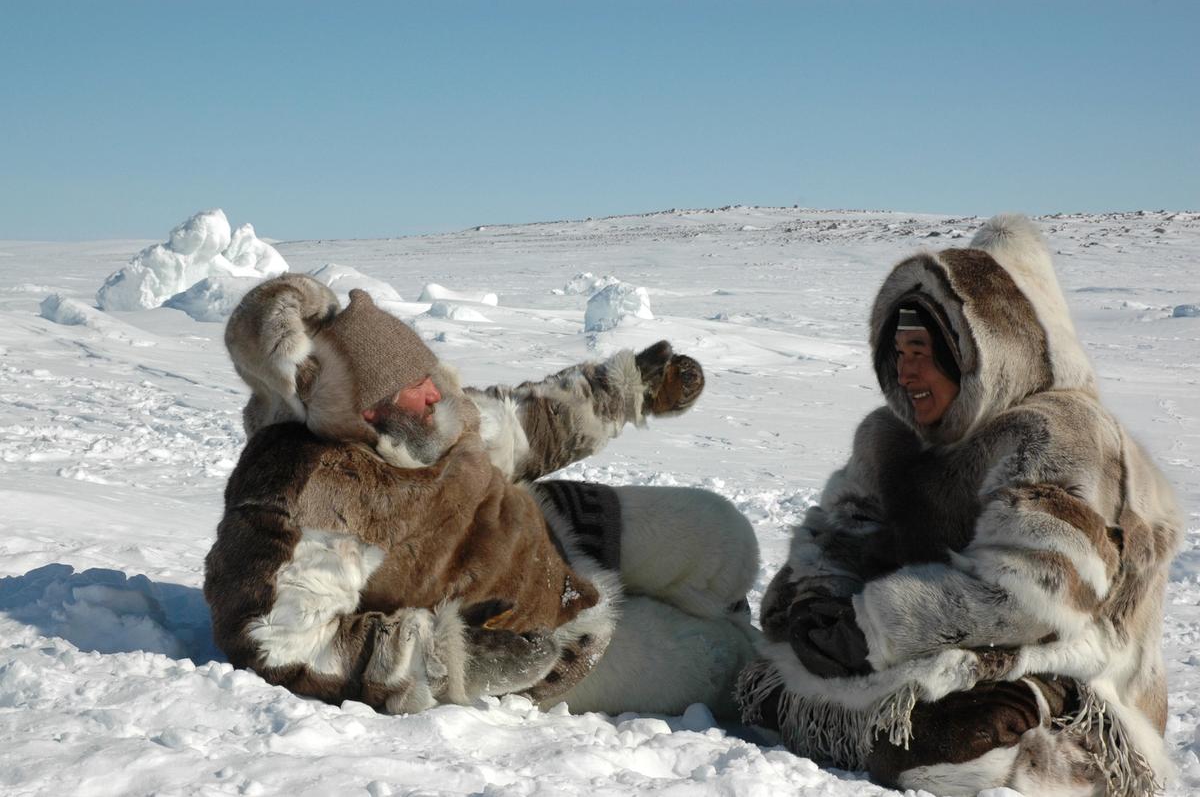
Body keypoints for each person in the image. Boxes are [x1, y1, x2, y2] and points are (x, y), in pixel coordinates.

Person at [737, 215, 1181, 796]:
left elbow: (1033, 595)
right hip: (930, 652)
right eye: (897, 351)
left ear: (975, 355)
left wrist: (871, 629)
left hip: (1071, 667)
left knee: (959, 740)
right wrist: (817, 603)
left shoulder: (1062, 433)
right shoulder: (889, 437)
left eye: (920, 350)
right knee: (758, 685)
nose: (905, 369)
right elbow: (839, 534)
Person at [206, 275, 759, 718]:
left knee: (722, 533)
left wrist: (631, 386)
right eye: (411, 383)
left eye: (425, 370)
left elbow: (521, 424)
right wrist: (456, 660)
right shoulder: (310, 494)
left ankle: (716, 604)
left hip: (553, 530)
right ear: (361, 410)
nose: (433, 390)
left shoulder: (427, 415)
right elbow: (276, 643)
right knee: (725, 663)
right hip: (537, 631)